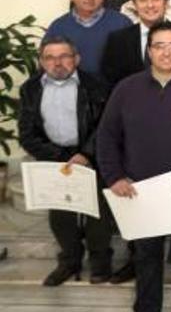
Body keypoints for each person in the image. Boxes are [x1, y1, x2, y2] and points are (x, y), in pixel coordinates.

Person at [97, 21, 171, 312]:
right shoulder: (126, 89)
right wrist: (114, 177)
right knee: (146, 261)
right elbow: (106, 136)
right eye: (159, 46)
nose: (166, 53)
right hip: (141, 192)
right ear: (148, 50)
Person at [18, 37, 114, 286]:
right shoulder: (30, 89)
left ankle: (100, 261)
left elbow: (105, 125)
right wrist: (60, 158)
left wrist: (86, 155)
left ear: (76, 59)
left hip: (91, 156)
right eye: (49, 57)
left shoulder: (96, 85)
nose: (57, 63)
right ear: (41, 61)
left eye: (64, 56)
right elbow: (27, 133)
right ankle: (69, 261)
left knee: (98, 214)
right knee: (61, 216)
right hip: (54, 159)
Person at [45, 0, 132, 78]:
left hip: (113, 91)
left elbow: (132, 66)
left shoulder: (121, 23)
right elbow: (47, 65)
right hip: (73, 90)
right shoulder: (58, 27)